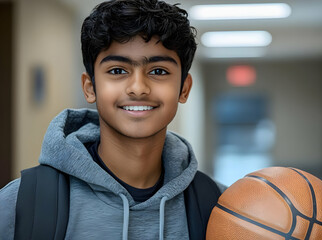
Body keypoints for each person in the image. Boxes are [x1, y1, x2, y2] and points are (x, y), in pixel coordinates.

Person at [0, 0, 226, 239]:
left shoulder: (221, 209)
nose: (138, 88)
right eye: (118, 70)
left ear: (184, 89)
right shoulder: (19, 205)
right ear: (90, 88)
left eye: (158, 71)